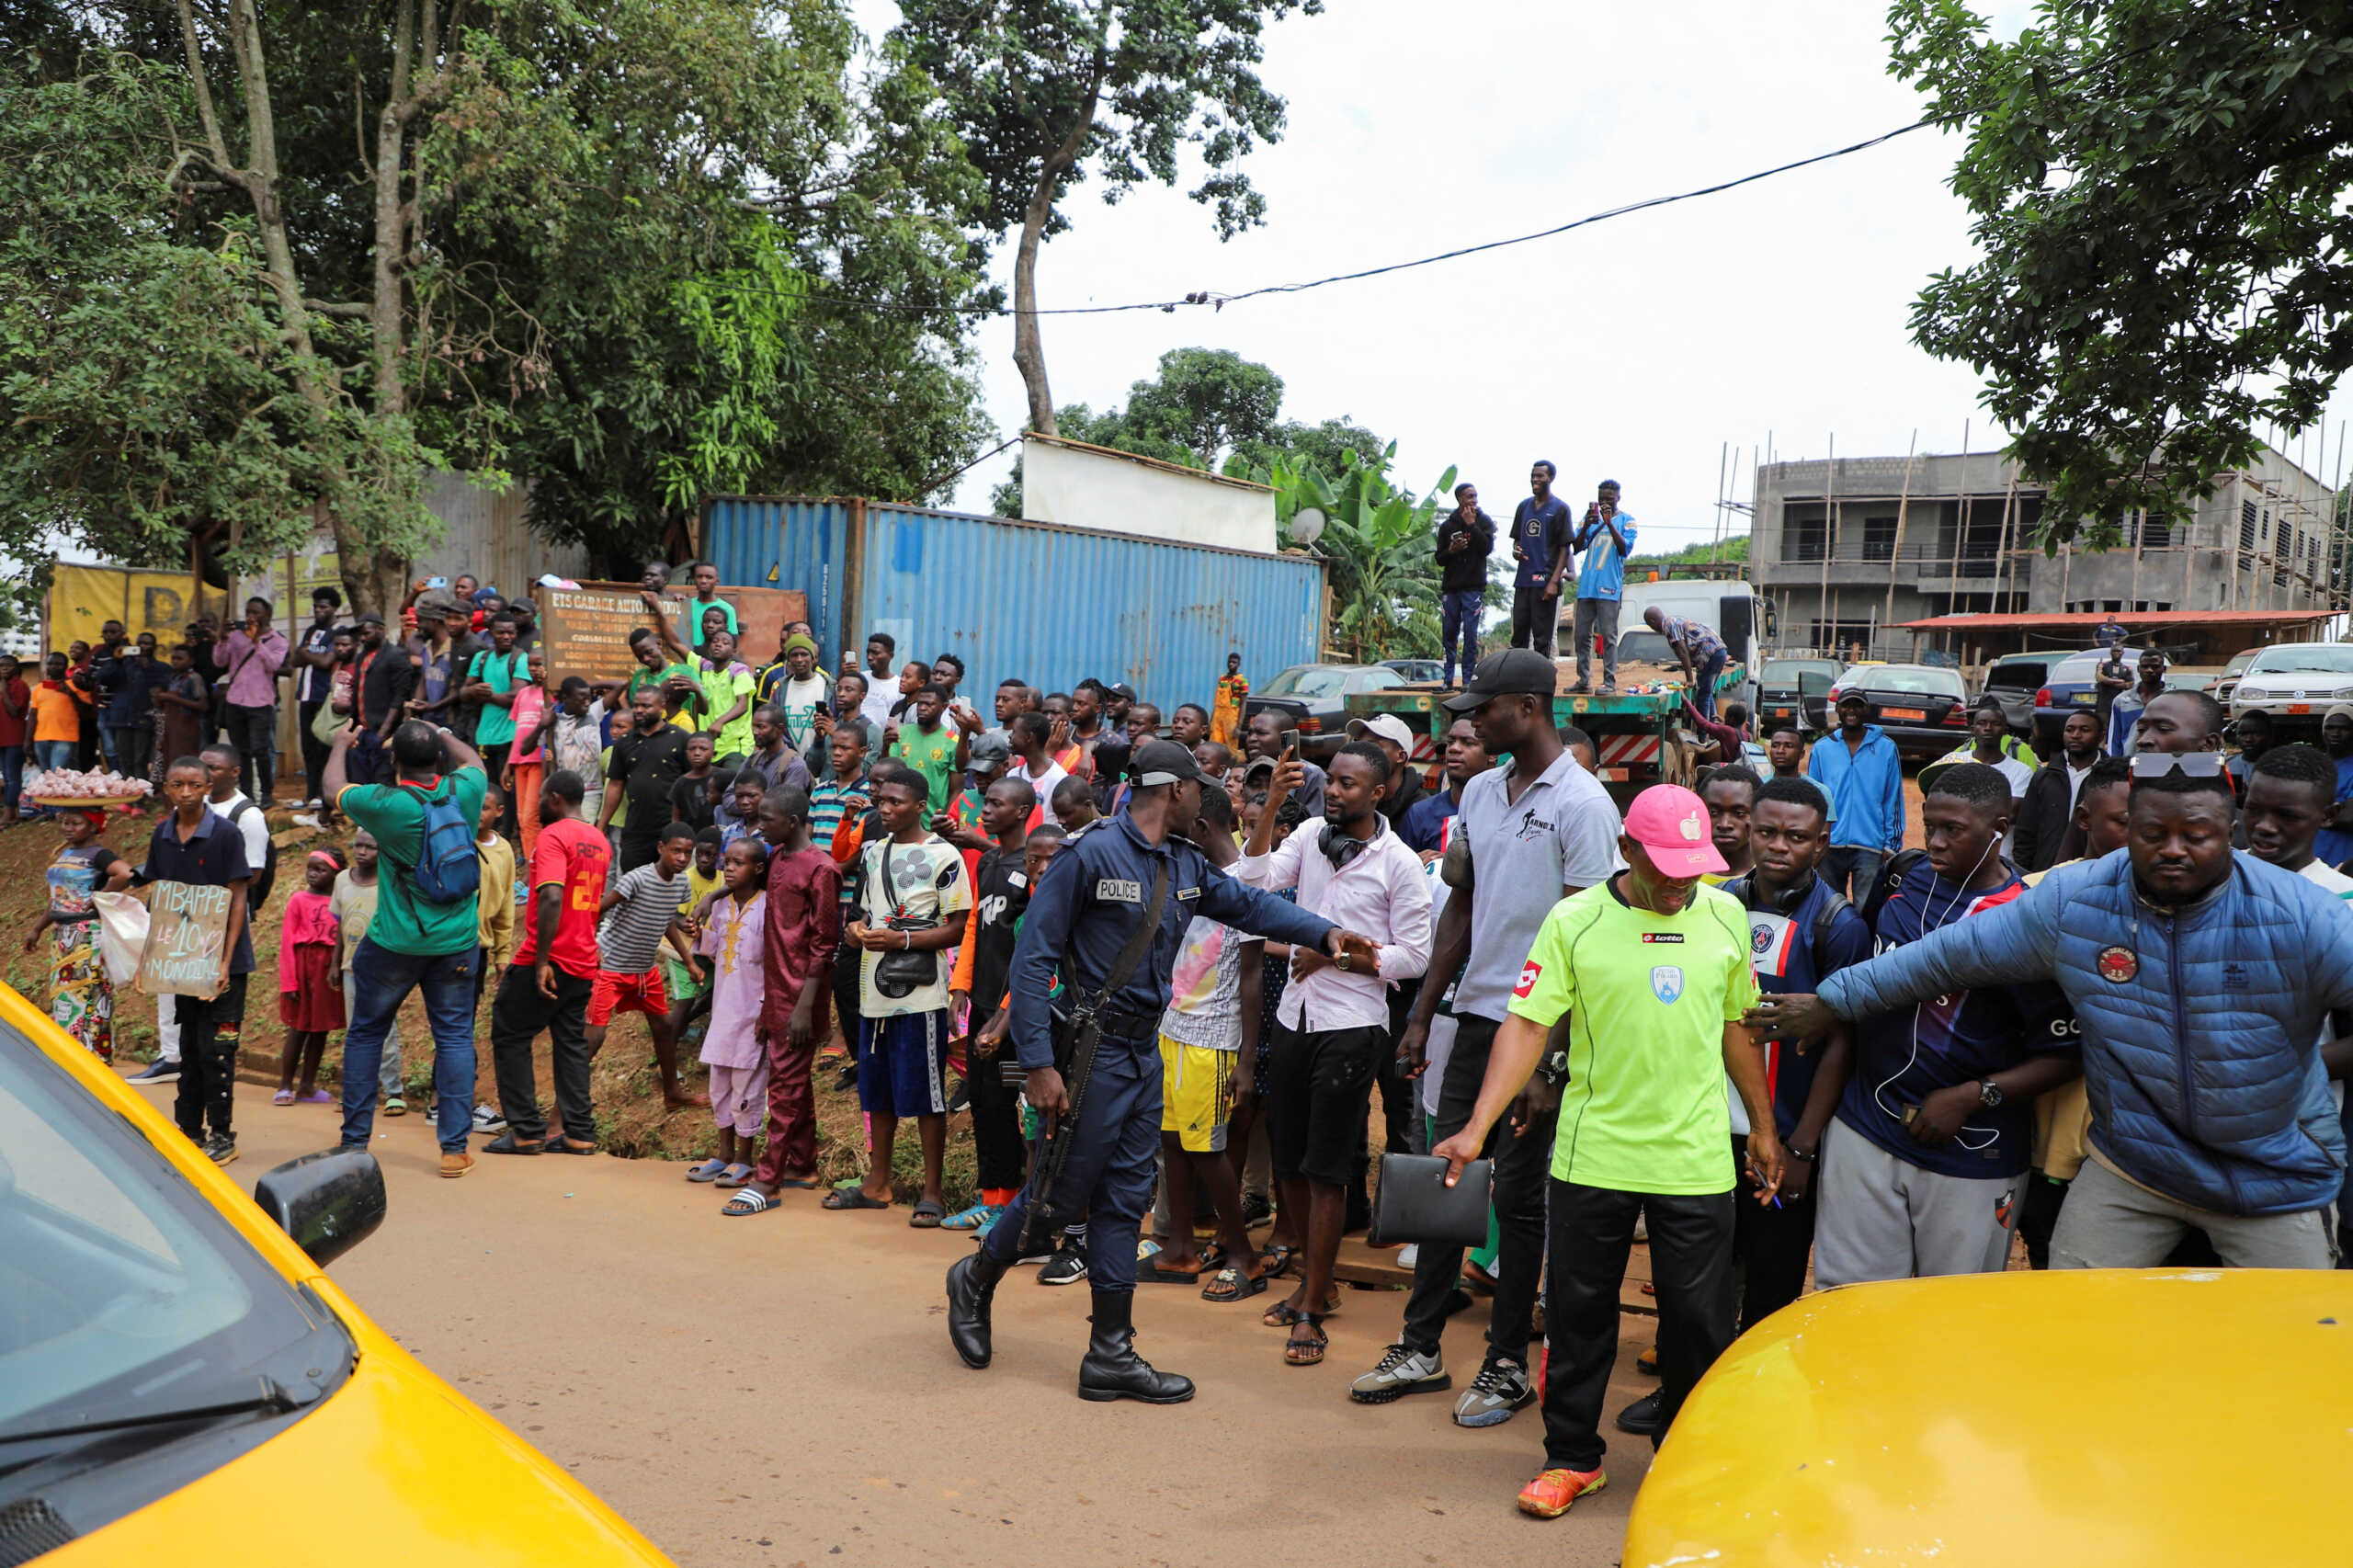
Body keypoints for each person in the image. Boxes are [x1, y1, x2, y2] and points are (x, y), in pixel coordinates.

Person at [1758, 754, 2353, 1270]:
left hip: (2276, 1180)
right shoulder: (2078, 900)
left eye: (2195, 835)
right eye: (2152, 832)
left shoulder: (2305, 916)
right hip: (2133, 1171)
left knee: (2293, 1351)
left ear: (2231, 830)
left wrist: (2295, 1063)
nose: (2173, 849)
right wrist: (1831, 1002)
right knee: (2078, 1331)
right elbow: (1941, 959)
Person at [946, 741, 1375, 1402]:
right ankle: (976, 1277)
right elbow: (1033, 962)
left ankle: (1109, 1353)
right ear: (1175, 791)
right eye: (1200, 790)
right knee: (1061, 1196)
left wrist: (1324, 933)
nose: (1208, 801)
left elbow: (1249, 906)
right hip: (1089, 1056)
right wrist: (1035, 1063)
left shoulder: (1184, 861)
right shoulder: (1088, 854)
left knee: (1125, 1198)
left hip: (1145, 1051)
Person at [1428, 783, 1777, 1521]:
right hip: (1595, 1157)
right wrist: (1477, 1125)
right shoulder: (1575, 921)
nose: (1684, 881)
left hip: (1696, 1160)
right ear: (1627, 850)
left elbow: (1737, 1029)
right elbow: (1525, 1026)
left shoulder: (1726, 915)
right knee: (1581, 1315)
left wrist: (1766, 1130)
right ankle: (1573, 1460)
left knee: (1699, 1321)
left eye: (1695, 866)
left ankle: (1686, 1457)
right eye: (1668, 865)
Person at [1351, 649, 1619, 1425]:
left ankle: (1507, 1363)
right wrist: (1424, 1011)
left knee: (1523, 1198)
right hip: (1474, 1016)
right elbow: (1460, 908)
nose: (1468, 722)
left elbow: (1588, 938)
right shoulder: (1478, 792)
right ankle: (1421, 1345)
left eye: (1484, 709)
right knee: (1448, 1179)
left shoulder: (1585, 805)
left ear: (1528, 707)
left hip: (1542, 1027)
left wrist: (1552, 1059)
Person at [1793, 764, 2086, 1288]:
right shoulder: (1902, 877)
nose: (1936, 841)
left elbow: (2064, 1054)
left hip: (1973, 1150)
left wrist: (1973, 1097)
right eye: (1930, 826)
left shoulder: (2029, 920)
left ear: (2001, 825)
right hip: (1867, 1124)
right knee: (1847, 1300)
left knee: (1950, 1316)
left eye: (1955, 829)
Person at [1237, 741, 1431, 1368]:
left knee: (1326, 1170)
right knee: (1291, 1162)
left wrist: (1340, 954)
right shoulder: (1312, 835)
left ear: (1377, 793)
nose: (1335, 791)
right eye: (1332, 782)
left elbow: (1416, 955)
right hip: (1295, 1016)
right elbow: (1254, 881)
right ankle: (1313, 1279)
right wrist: (1270, 806)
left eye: (1349, 784)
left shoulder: (1398, 862)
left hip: (1352, 1027)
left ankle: (1314, 1304)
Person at [1715, 779, 1870, 1321]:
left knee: (1771, 1275)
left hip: (1782, 1138)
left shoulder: (1839, 926)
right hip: (1711, 1131)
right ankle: (1686, 1385)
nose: (1779, 846)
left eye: (1796, 837)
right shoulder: (1720, 904)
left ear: (1822, 843)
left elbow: (1842, 1041)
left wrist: (1802, 1147)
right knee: (1705, 1268)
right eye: (1767, 832)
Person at [324, 718, 491, 1176]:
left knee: (365, 1034)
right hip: (457, 942)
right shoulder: (467, 790)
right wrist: (446, 733)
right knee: (455, 1038)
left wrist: (342, 743)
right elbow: (473, 760)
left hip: (395, 941)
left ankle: (355, 1140)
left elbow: (333, 787)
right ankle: (454, 1150)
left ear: (394, 761)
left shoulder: (388, 804)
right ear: (439, 758)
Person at [826, 769, 971, 1221]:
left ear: (920, 805)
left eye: (895, 802)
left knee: (928, 1095)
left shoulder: (944, 856)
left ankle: (933, 1191)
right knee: (877, 1089)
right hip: (874, 992)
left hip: (921, 995)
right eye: (882, 801)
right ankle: (878, 1182)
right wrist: (855, 930)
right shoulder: (873, 852)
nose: (885, 809)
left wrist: (902, 942)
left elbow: (956, 927)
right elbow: (865, 912)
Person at [2014, 757, 2133, 1267]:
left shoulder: (2181, 898)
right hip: (2054, 1113)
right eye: (2123, 822)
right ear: (2085, 820)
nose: (2140, 834)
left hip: (2135, 1130)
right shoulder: (2036, 893)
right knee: (2050, 1240)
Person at [2237, 744, 2353, 1258]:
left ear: (2327, 817)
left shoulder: (2341, 903)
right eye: (2254, 810)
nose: (2264, 827)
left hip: (2298, 1132)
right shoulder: (2209, 878)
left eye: (2287, 816)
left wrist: (2270, 1067)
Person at [711, 786, 844, 1213]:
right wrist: (712, 898)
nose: (760, 826)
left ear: (791, 821)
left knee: (783, 1088)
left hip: (799, 997)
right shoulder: (780, 860)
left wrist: (806, 1006)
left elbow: (825, 944)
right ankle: (803, 1164)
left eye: (767, 820)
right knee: (794, 1083)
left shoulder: (821, 869)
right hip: (773, 993)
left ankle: (767, 1181)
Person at [482, 768, 609, 1156]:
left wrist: (540, 961)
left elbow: (552, 897)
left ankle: (526, 1131)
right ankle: (579, 1133)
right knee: (569, 1043)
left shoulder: (554, 836)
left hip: (551, 956)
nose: (535, 803)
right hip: (583, 959)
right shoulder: (600, 840)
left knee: (510, 1032)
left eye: (541, 796)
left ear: (554, 797)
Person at [135, 756, 254, 1165]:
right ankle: (188, 1131)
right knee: (188, 1049)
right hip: (181, 962)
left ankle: (222, 1134)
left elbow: (237, 897)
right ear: (166, 788)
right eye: (177, 785)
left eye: (194, 785)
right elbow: (162, 900)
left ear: (207, 788)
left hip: (224, 965)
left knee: (216, 1051)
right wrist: (147, 960)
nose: (185, 793)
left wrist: (224, 962)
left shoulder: (226, 835)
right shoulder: (162, 835)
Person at [941, 776, 1044, 1233]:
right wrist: (960, 986)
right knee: (983, 1102)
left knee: (1012, 1103)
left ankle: (1017, 1206)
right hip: (981, 1006)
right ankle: (991, 1197)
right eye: (986, 802)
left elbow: (1036, 948)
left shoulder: (1035, 867)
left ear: (1021, 811)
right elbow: (973, 930)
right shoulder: (986, 862)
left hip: (1013, 1014)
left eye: (996, 804)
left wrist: (1006, 1010)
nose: (984, 810)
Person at [679, 838, 770, 1187]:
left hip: (753, 1009)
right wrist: (699, 934)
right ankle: (724, 1153)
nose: (729, 868)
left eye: (738, 863)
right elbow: (716, 949)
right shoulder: (722, 906)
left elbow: (774, 962)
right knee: (720, 1084)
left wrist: (767, 1012)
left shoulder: (768, 907)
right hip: (724, 1008)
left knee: (747, 1084)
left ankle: (745, 1158)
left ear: (758, 868)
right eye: (726, 862)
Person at [26, 805, 130, 1061]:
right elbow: (59, 897)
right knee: (65, 996)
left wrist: (100, 897)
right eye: (65, 823)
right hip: (62, 935)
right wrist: (37, 928)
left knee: (89, 992)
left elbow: (124, 873)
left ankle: (92, 1057)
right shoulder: (68, 854)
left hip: (86, 935)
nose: (68, 829)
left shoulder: (99, 854)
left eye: (76, 823)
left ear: (93, 826)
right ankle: (70, 1056)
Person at [329, 830, 407, 1115]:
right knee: (356, 1032)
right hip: (350, 968)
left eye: (370, 847)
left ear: (382, 851)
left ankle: (393, 1090)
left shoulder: (389, 883)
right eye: (358, 845)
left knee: (386, 1031)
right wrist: (335, 963)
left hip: (383, 970)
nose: (362, 851)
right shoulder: (341, 881)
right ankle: (358, 1090)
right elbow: (341, 925)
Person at [1808, 691, 1904, 901]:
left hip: (1870, 844)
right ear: (1837, 710)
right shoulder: (1822, 748)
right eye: (1846, 705)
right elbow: (1812, 798)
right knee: (1830, 908)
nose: (1851, 710)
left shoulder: (1886, 748)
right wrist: (1814, 838)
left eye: (1858, 705)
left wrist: (1891, 845)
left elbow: (1893, 798)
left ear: (1867, 710)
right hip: (1829, 843)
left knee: (1867, 909)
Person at [274, 847, 347, 1106]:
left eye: (320, 869)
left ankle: (307, 1085)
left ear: (336, 874)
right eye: (310, 868)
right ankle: (285, 1085)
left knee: (320, 1030)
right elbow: (287, 944)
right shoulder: (298, 900)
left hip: (329, 971)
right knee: (298, 1027)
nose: (312, 874)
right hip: (304, 969)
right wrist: (290, 981)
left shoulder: (341, 900)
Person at [602, 685, 693, 872]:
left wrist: (686, 825)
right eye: (636, 706)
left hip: (671, 829)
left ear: (662, 707)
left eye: (646, 706)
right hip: (636, 829)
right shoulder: (625, 743)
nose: (639, 710)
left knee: (671, 886)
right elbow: (615, 784)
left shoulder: (680, 738)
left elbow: (690, 782)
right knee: (633, 884)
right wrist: (601, 825)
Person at [213, 597, 288, 802]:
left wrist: (256, 642)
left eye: (256, 612)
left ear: (268, 615)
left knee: (260, 750)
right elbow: (219, 661)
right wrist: (223, 638)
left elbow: (273, 665)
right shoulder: (236, 636)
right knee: (241, 752)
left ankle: (266, 794)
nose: (251, 617)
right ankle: (246, 794)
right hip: (235, 701)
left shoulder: (278, 641)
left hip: (261, 703)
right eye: (248, 612)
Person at [2014, 708, 2104, 873]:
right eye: (2070, 730)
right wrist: (2023, 873)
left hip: (2094, 871)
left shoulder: (2111, 777)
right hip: (2045, 871)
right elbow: (2025, 832)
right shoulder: (2044, 777)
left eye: (2084, 730)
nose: (2075, 735)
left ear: (2100, 737)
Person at [1567, 480, 1636, 693]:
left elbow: (1625, 549)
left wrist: (1610, 523)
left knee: (1608, 636)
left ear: (1618, 498)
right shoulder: (1589, 519)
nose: (1605, 502)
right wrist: (1588, 525)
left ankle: (1609, 682)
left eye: (1609, 499)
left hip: (1609, 588)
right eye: (1602, 498)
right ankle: (1583, 681)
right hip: (1587, 587)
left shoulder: (1628, 520)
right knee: (1581, 637)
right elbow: (1577, 547)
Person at [461, 615, 529, 824]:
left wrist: (486, 696)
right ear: (491, 633)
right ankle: (490, 829)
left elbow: (516, 696)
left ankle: (508, 834)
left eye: (511, 632)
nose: (507, 636)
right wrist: (473, 690)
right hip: (484, 734)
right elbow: (463, 692)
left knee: (508, 789)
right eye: (501, 632)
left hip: (510, 734)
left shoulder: (520, 658)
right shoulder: (481, 657)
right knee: (488, 787)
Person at [1507, 461, 1572, 660]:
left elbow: (1565, 548)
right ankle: (1517, 680)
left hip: (1545, 582)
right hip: (1523, 580)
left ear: (1550, 478)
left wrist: (1553, 582)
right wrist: (1516, 551)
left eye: (1540, 476)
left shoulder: (1560, 508)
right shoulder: (1523, 506)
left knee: (1542, 640)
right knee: (1518, 637)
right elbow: (1517, 540)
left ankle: (1539, 685)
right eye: (1533, 475)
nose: (1535, 479)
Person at [1437, 481, 1496, 687]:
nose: (1474, 500)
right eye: (1470, 496)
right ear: (1460, 499)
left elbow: (1487, 548)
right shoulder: (1447, 526)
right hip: (1451, 589)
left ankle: (1468, 679)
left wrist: (1472, 525)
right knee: (1449, 634)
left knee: (1471, 634)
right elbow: (1439, 559)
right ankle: (1447, 679)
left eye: (1475, 496)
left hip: (1474, 588)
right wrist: (1451, 550)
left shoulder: (1484, 521)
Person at [1400, 717, 1489, 856]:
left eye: (1468, 743)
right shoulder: (1420, 814)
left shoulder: (1505, 811)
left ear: (1492, 755)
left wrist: (1447, 861)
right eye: (1450, 742)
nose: (1454, 748)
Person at [94, 631, 169, 785]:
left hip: (144, 719)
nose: (142, 646)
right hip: (122, 719)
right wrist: (116, 660)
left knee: (140, 760)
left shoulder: (161, 667)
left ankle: (140, 798)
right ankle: (128, 797)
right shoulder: (124, 664)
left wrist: (147, 669)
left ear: (154, 647)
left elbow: (162, 688)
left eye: (147, 643)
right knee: (124, 760)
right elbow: (102, 678)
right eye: (139, 643)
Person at [290, 589, 344, 807]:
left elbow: (326, 662)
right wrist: (308, 656)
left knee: (324, 748)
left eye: (323, 607)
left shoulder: (339, 631)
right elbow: (295, 661)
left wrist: (306, 655)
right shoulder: (311, 630)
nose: (318, 611)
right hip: (306, 696)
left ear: (334, 608)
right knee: (308, 748)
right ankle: (311, 794)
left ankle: (325, 796)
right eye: (315, 606)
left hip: (325, 698)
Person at [350, 614, 414, 787]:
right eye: (360, 635)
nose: (362, 638)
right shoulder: (362, 657)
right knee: (362, 783)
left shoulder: (396, 655)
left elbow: (400, 696)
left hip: (383, 732)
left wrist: (384, 731)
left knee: (383, 781)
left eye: (366, 633)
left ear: (381, 630)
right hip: (362, 730)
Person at [506, 650, 551, 864]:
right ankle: (528, 857)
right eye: (531, 665)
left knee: (531, 815)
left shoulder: (550, 693)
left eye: (539, 664)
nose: (534, 669)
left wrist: (548, 684)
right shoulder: (523, 694)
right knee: (522, 818)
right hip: (519, 761)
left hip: (538, 760)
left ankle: (537, 862)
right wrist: (508, 764)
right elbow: (517, 732)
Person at [1644, 606, 1731, 720]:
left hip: (1710, 654)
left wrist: (1689, 679)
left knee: (1702, 695)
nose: (1653, 629)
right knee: (1707, 692)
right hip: (1719, 651)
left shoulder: (1669, 626)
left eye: (1650, 626)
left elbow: (1683, 651)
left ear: (1652, 621)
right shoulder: (1674, 620)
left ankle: (1704, 734)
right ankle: (1714, 727)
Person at [889, 684, 961, 817]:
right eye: (920, 704)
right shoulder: (901, 734)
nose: (922, 708)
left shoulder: (953, 741)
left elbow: (956, 790)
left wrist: (946, 820)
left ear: (944, 707)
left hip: (931, 823)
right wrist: (885, 744)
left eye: (929, 704)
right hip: (898, 817)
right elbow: (887, 770)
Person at [474, 786, 516, 1012]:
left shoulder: (504, 851)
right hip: (450, 941)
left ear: (499, 811)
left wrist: (503, 953)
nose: (477, 813)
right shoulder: (456, 841)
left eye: (484, 808)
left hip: (478, 945)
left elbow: (506, 905)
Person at [1347, 713, 1427, 829]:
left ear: (1400, 756)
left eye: (1372, 746)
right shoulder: (1353, 801)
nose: (1360, 752)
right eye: (1358, 744)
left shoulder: (1421, 811)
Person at [1243, 710, 1325, 819]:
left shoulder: (1310, 774)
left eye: (1261, 733)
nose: (1252, 739)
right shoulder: (1249, 769)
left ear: (1285, 738)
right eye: (1250, 733)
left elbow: (1312, 824)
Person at [28, 651, 92, 779]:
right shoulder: (39, 688)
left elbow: (86, 710)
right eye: (50, 663)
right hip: (41, 738)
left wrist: (71, 693)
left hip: (65, 738)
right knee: (46, 777)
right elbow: (33, 715)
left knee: (56, 776)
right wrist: (27, 741)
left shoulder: (76, 685)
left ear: (65, 666)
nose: (53, 667)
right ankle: (47, 800)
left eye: (58, 664)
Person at [2105, 646, 2168, 757]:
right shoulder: (2121, 701)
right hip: (2128, 763)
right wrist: (2113, 765)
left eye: (2155, 666)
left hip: (2162, 763)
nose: (2149, 670)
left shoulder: (2172, 699)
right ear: (2139, 669)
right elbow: (2114, 738)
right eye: (2145, 666)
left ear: (2164, 669)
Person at [1699, 764, 1760, 879]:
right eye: (1713, 812)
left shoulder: (1770, 877)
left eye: (1739, 813)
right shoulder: (1685, 878)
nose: (1724, 824)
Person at [2317, 704, 2353, 869]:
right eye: (2330, 727)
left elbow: (2349, 816)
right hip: (2311, 858)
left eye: (2343, 728)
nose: (2335, 734)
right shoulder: (2313, 765)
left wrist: (2305, 814)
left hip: (2342, 860)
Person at [681, 560, 736, 653]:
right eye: (699, 577)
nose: (703, 581)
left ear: (716, 581)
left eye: (709, 577)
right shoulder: (686, 605)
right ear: (694, 579)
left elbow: (733, 641)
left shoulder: (727, 609)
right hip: (686, 657)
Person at [0, 653, 28, 823]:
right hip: (1, 738)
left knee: (13, 777)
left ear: (16, 668)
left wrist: (4, 691)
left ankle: (9, 813)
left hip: (15, 738)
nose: (4, 668)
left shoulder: (20, 685)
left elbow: (14, 711)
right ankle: (12, 812)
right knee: (6, 775)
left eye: (8, 665)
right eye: (1, 665)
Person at [2226, 707, 2275, 793]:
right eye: (2242, 734)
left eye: (2256, 734)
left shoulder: (2282, 767)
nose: (2248, 739)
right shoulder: (2227, 766)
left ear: (2270, 736)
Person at [1209, 653, 1249, 753]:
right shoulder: (1222, 679)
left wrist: (1239, 726)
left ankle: (1231, 767)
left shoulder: (1242, 681)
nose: (1231, 664)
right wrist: (1211, 721)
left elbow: (1243, 703)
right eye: (1229, 662)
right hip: (1218, 716)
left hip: (1232, 717)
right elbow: (1217, 702)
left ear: (1239, 664)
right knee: (1214, 745)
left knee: (1231, 748)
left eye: (1234, 662)